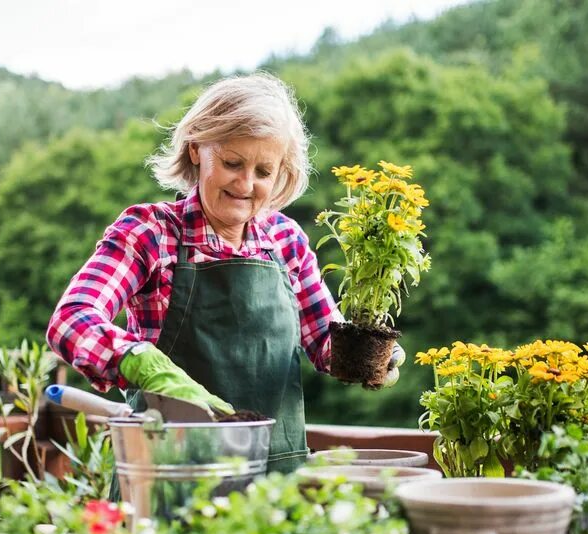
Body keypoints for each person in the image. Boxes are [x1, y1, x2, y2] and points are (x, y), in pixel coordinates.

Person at [47, 72, 403, 474]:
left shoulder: (286, 241)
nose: (246, 184)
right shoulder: (150, 234)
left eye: (264, 172)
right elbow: (71, 321)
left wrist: (374, 355)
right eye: (232, 163)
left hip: (274, 481)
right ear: (198, 148)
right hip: (171, 474)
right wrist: (140, 362)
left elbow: (324, 341)